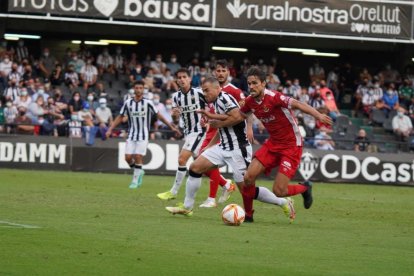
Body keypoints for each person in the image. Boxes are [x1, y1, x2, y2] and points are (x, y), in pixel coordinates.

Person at [202, 67, 333, 221]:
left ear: (264, 84)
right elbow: (237, 117)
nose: (251, 86)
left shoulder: (274, 97)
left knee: (279, 190)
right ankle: (249, 215)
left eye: (255, 83)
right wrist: (213, 118)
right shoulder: (250, 102)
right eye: (249, 83)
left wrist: (318, 115)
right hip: (273, 143)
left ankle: (305, 188)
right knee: (248, 178)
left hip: (292, 145)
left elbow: (297, 104)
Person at [166, 77, 295, 223]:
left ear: (217, 88)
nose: (205, 94)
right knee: (195, 168)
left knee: (247, 190)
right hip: (222, 147)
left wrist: (214, 121)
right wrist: (209, 147)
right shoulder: (215, 102)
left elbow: (237, 117)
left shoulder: (225, 99)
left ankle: (283, 202)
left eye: (207, 90)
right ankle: (187, 207)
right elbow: (221, 127)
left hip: (238, 150)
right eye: (203, 91)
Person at [198, 59, 252, 208]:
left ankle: (213, 197)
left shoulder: (235, 91)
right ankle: (224, 186)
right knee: (201, 164)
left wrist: (250, 128)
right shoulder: (208, 89)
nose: (221, 73)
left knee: (244, 182)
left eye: (223, 71)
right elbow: (209, 109)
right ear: (214, 72)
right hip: (215, 131)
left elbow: (245, 111)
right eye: (218, 70)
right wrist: (205, 119)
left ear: (229, 72)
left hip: (230, 133)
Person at [106, 81, 180, 188]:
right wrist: (110, 129)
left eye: (141, 88)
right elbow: (120, 117)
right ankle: (139, 171)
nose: (139, 90)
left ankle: (135, 181)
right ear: (134, 89)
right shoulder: (128, 103)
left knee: (138, 156)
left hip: (143, 134)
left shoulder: (148, 102)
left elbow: (159, 116)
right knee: (127, 158)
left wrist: (171, 126)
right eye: (137, 88)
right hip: (131, 134)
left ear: (143, 90)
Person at [156, 68, 207, 200]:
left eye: (184, 77)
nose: (182, 79)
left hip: (199, 131)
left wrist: (208, 119)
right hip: (188, 133)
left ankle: (173, 192)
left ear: (189, 79)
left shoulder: (199, 93)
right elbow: (175, 118)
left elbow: (212, 105)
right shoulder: (176, 97)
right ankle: (225, 184)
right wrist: (174, 117)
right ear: (177, 81)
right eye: (179, 77)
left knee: (182, 159)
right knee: (201, 165)